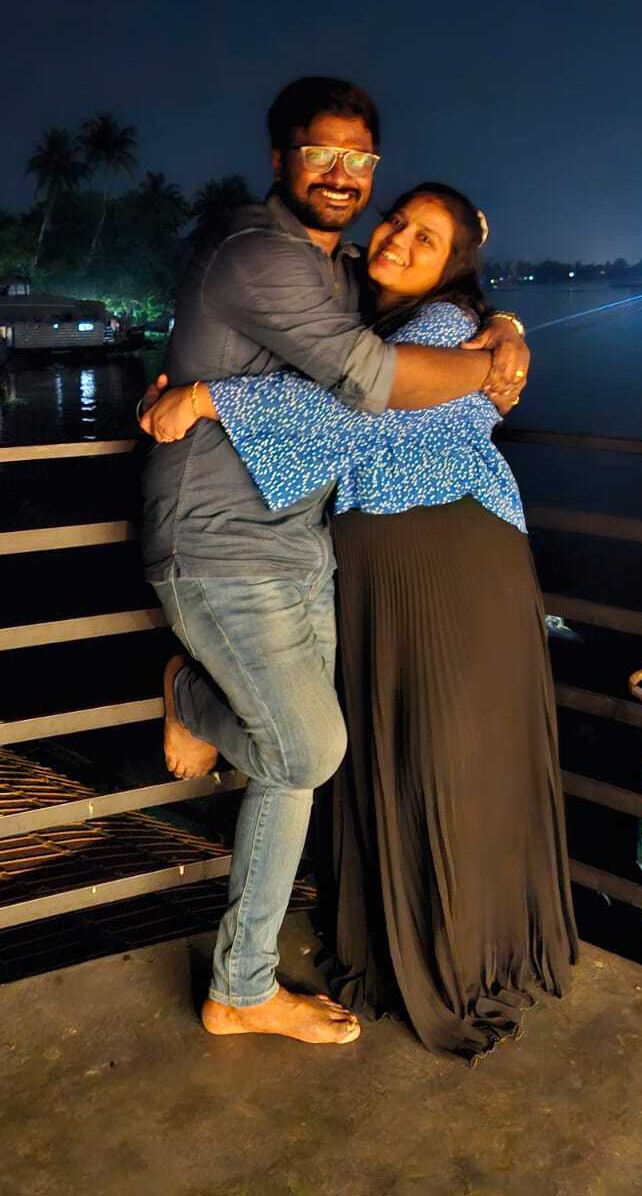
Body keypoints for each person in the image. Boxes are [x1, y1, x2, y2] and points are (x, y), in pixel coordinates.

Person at [139, 77, 530, 1047]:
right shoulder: (262, 254)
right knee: (310, 750)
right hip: (222, 541)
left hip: (301, 539)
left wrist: (502, 325)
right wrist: (487, 361)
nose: (342, 173)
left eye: (360, 158)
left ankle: (239, 986)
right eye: (321, 152)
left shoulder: (340, 269)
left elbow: (420, 319)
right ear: (281, 158)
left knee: (294, 768)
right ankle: (189, 693)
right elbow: (371, 381)